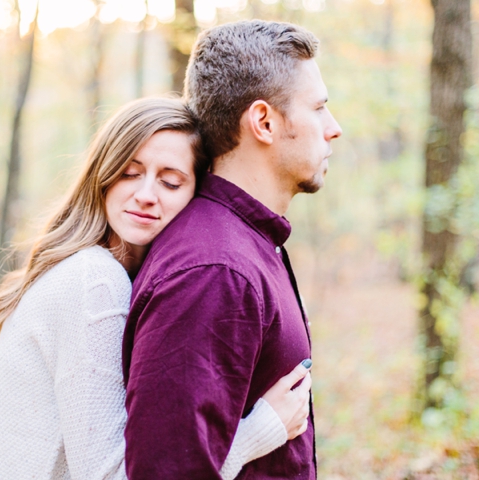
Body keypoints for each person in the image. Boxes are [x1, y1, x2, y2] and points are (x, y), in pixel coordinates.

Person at [0, 97, 313, 480]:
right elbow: (111, 476)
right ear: (102, 175)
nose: (147, 194)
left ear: (195, 195)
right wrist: (260, 430)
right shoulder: (93, 280)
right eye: (129, 173)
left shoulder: (108, 272)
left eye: (171, 181)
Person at [123, 20, 342, 479]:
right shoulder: (216, 270)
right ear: (263, 122)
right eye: (319, 108)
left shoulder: (246, 245)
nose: (333, 128)